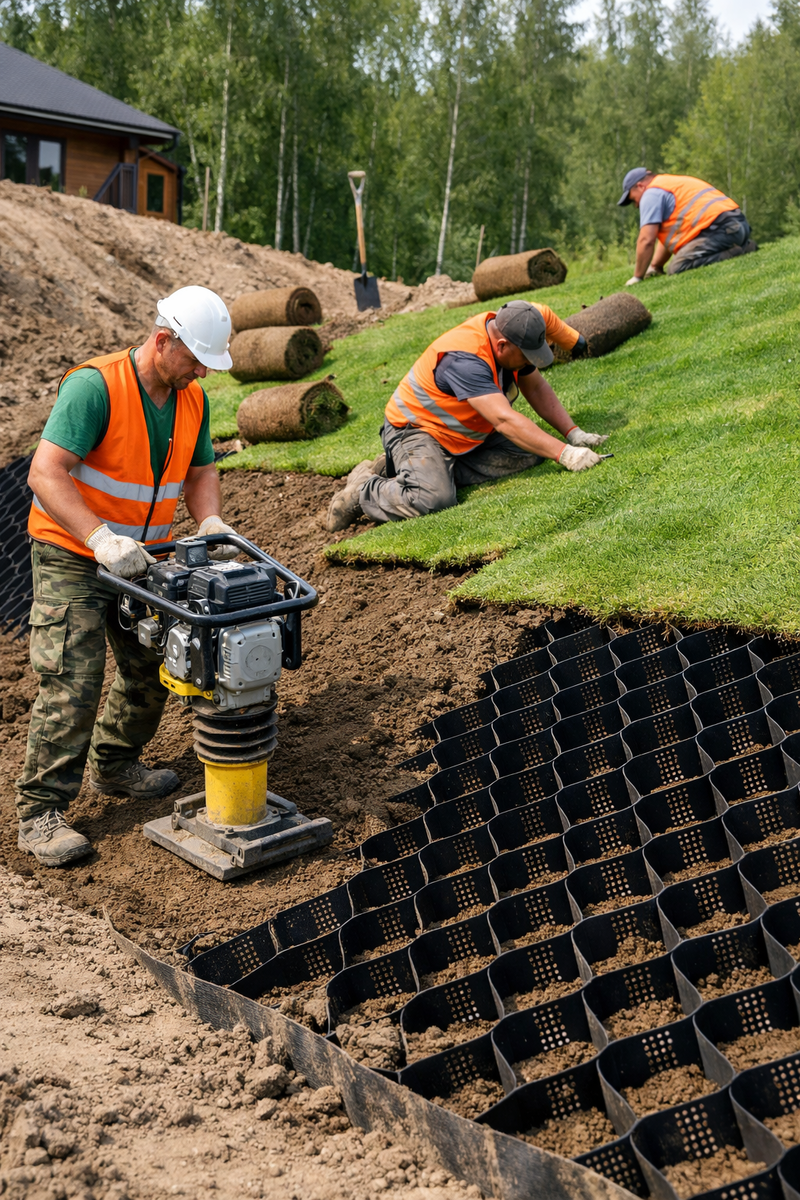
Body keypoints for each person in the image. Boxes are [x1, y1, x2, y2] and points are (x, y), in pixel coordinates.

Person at [16, 285, 242, 867]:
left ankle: (114, 765)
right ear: (162, 341)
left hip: (147, 556)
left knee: (153, 664)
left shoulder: (191, 398)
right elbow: (46, 474)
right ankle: (39, 812)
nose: (200, 374)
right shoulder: (95, 387)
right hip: (74, 549)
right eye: (194, 361)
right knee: (74, 673)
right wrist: (100, 538)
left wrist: (210, 519)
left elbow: (200, 470)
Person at [326, 300, 608, 532]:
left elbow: (535, 387)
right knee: (433, 498)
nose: (530, 363)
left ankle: (419, 470)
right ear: (502, 347)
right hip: (416, 430)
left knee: (532, 451)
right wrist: (566, 454)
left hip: (464, 434)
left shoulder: (517, 325)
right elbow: (504, 420)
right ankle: (364, 488)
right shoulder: (464, 360)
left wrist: (573, 433)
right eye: (527, 357)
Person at [618, 168, 756, 283]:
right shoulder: (669, 183)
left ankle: (743, 250)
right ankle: (743, 245)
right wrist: (656, 266)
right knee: (680, 259)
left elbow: (646, 240)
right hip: (737, 225)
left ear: (640, 186)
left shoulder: (650, 194)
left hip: (720, 229)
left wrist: (637, 277)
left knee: (678, 266)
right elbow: (671, 238)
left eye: (633, 199)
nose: (635, 205)